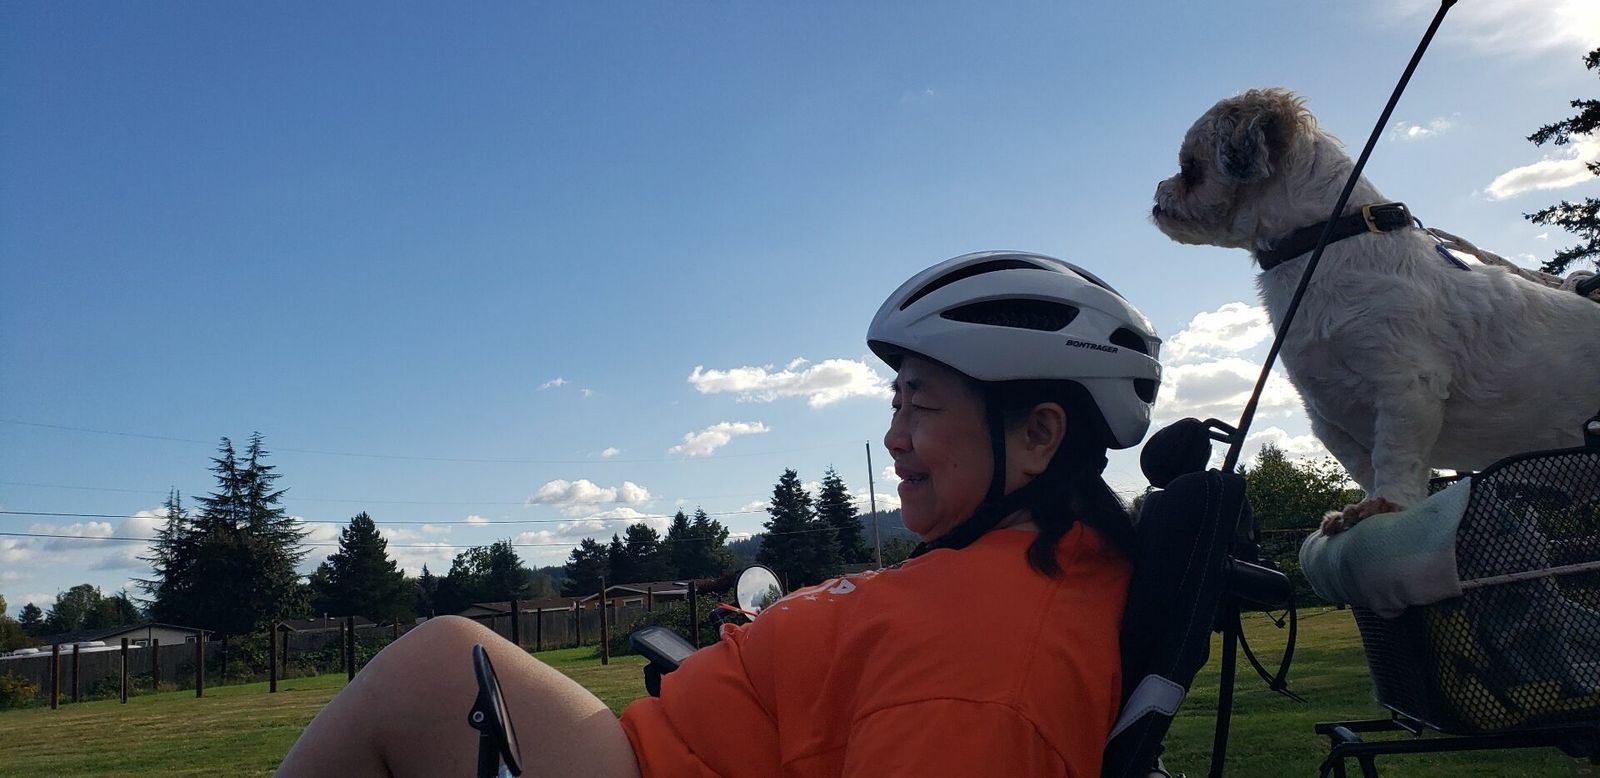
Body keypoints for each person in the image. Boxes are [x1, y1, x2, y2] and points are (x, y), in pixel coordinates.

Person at [277, 250, 1162, 777]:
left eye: (922, 404)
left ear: (1039, 434)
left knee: (434, 663)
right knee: (439, 658)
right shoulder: (1007, 570)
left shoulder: (991, 670)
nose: (895, 437)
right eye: (895, 403)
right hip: (658, 748)